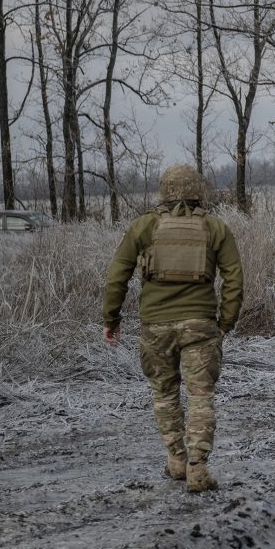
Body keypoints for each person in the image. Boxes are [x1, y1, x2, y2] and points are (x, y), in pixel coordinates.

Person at [103, 164, 244, 493]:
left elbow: (116, 276)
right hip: (201, 326)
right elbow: (235, 280)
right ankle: (198, 468)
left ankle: (177, 461)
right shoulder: (215, 228)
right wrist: (225, 323)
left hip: (155, 327)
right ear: (198, 190)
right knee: (200, 397)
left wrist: (111, 319)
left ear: (163, 191)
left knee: (164, 395)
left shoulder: (144, 227)